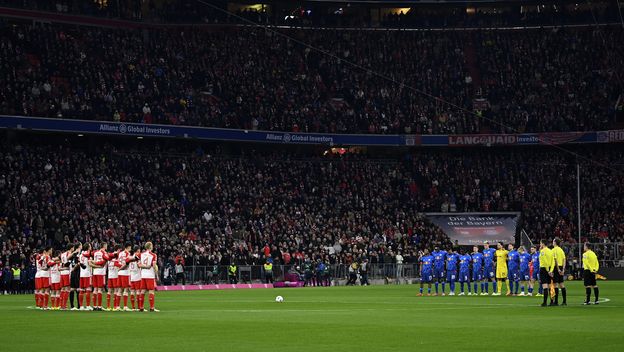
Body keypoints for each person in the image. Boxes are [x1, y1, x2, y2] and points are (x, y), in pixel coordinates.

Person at [138, 242, 159, 312]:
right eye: (152, 245)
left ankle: (141, 307)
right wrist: (157, 275)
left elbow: (139, 265)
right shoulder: (153, 255)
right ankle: (152, 308)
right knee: (151, 291)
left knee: (143, 291)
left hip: (143, 275)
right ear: (150, 247)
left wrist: (144, 267)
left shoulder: (141, 254)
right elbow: (154, 265)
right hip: (150, 275)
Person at [90, 243, 110, 311]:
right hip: (101, 272)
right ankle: (99, 306)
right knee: (99, 289)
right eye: (106, 245)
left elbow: (93, 261)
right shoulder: (104, 253)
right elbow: (104, 261)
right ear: (104, 246)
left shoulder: (95, 253)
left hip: (95, 272)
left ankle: (95, 306)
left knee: (95, 289)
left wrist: (94, 263)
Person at [60, 243, 79, 310]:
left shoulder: (62, 254)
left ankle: (61, 305)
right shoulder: (69, 253)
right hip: (67, 272)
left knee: (63, 289)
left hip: (62, 273)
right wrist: (75, 252)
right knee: (67, 289)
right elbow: (68, 262)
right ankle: (64, 306)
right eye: (73, 248)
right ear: (71, 248)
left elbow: (62, 264)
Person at [538, 239, 555, 307]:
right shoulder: (551, 251)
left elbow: (544, 261)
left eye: (540, 243)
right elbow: (553, 261)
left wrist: (547, 270)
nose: (540, 245)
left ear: (543, 244)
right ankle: (551, 302)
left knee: (545, 286)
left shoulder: (542, 251)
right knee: (550, 286)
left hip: (544, 269)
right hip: (550, 269)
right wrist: (551, 270)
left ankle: (544, 303)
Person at [117, 243, 132, 311]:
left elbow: (118, 262)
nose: (130, 249)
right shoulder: (127, 254)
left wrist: (119, 268)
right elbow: (126, 264)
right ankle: (125, 306)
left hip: (119, 273)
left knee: (120, 289)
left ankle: (117, 306)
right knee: (126, 289)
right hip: (125, 273)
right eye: (130, 248)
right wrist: (121, 268)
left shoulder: (120, 253)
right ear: (128, 247)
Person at [551, 238, 567, 306]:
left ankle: (556, 301)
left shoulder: (553, 250)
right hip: (561, 267)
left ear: (555, 242)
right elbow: (564, 259)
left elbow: (555, 260)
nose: (552, 242)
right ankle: (564, 301)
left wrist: (558, 269)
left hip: (556, 267)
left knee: (555, 284)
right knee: (562, 284)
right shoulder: (561, 250)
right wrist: (563, 269)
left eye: (553, 241)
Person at [78, 243, 93, 311]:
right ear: (88, 247)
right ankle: (88, 306)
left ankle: (81, 306)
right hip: (87, 273)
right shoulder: (88, 254)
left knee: (81, 290)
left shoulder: (81, 254)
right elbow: (90, 264)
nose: (91, 247)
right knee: (88, 290)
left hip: (82, 274)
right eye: (90, 246)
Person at [128, 245, 142, 311]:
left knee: (132, 292)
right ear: (138, 250)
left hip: (131, 276)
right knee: (138, 292)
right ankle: (139, 307)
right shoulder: (137, 257)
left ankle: (133, 307)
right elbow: (139, 266)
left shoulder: (130, 257)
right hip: (137, 276)